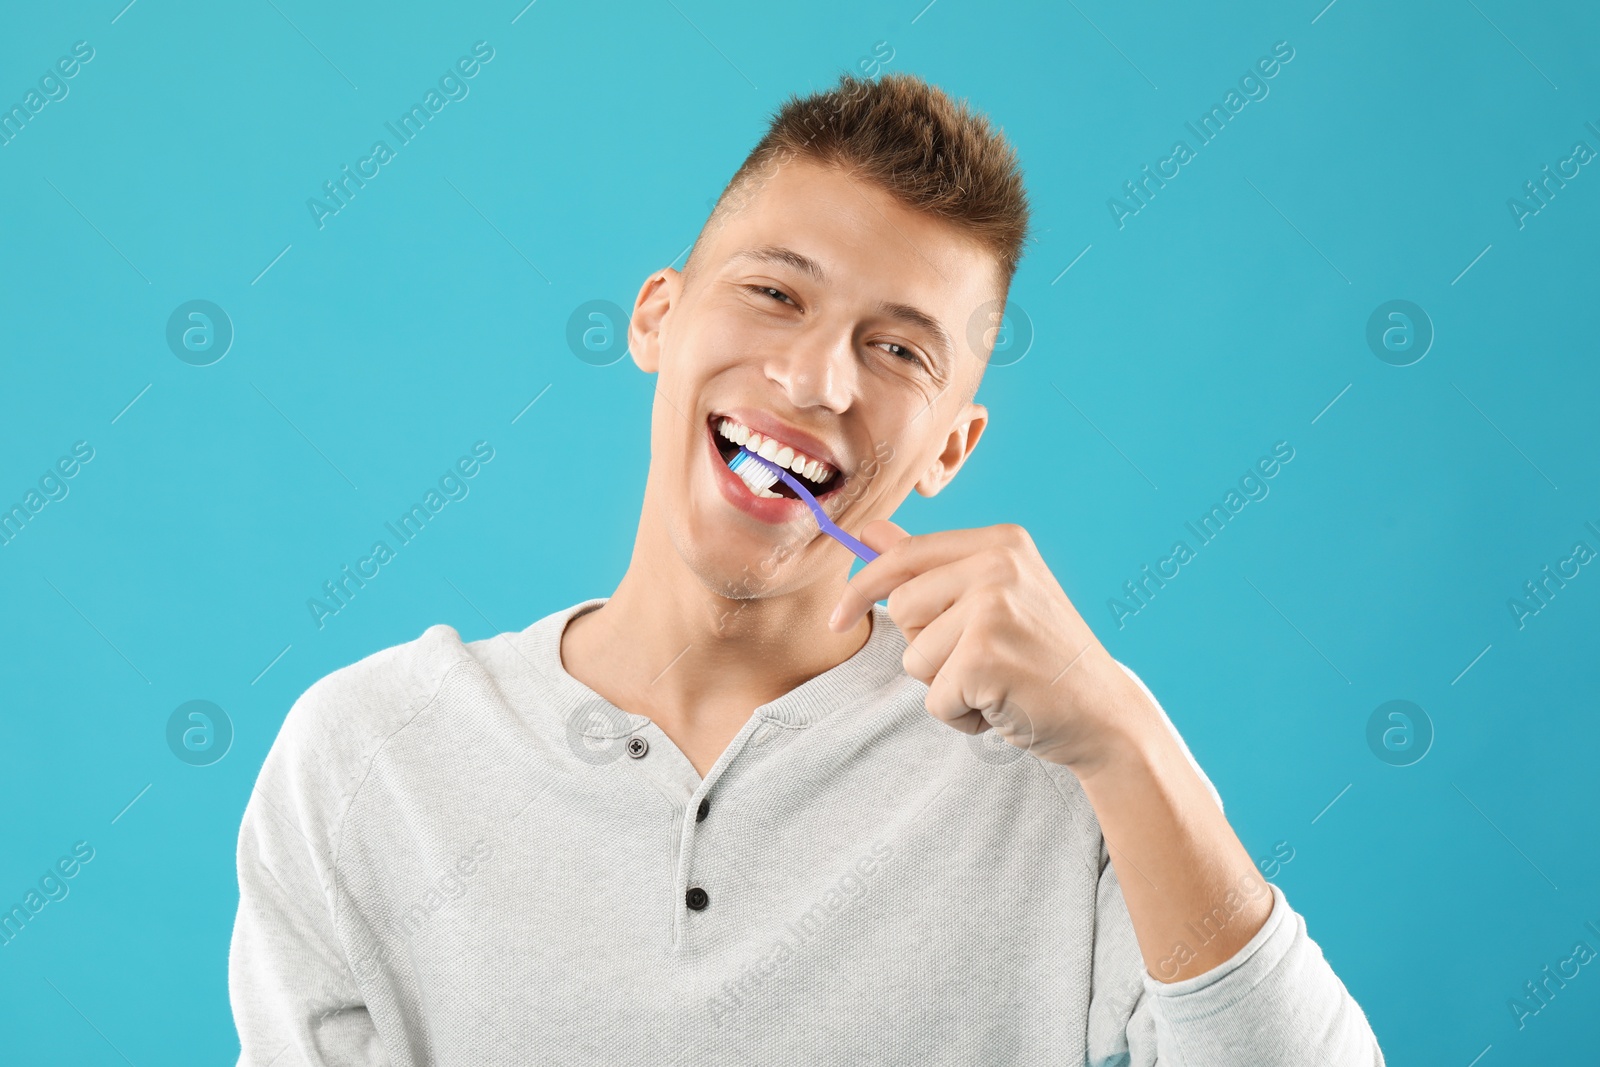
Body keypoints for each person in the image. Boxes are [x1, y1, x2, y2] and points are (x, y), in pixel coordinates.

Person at [230, 71, 1385, 1065]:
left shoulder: (1057, 769)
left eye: (896, 348)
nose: (816, 378)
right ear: (656, 319)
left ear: (948, 445)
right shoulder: (365, 753)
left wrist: (1122, 739)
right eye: (774, 293)